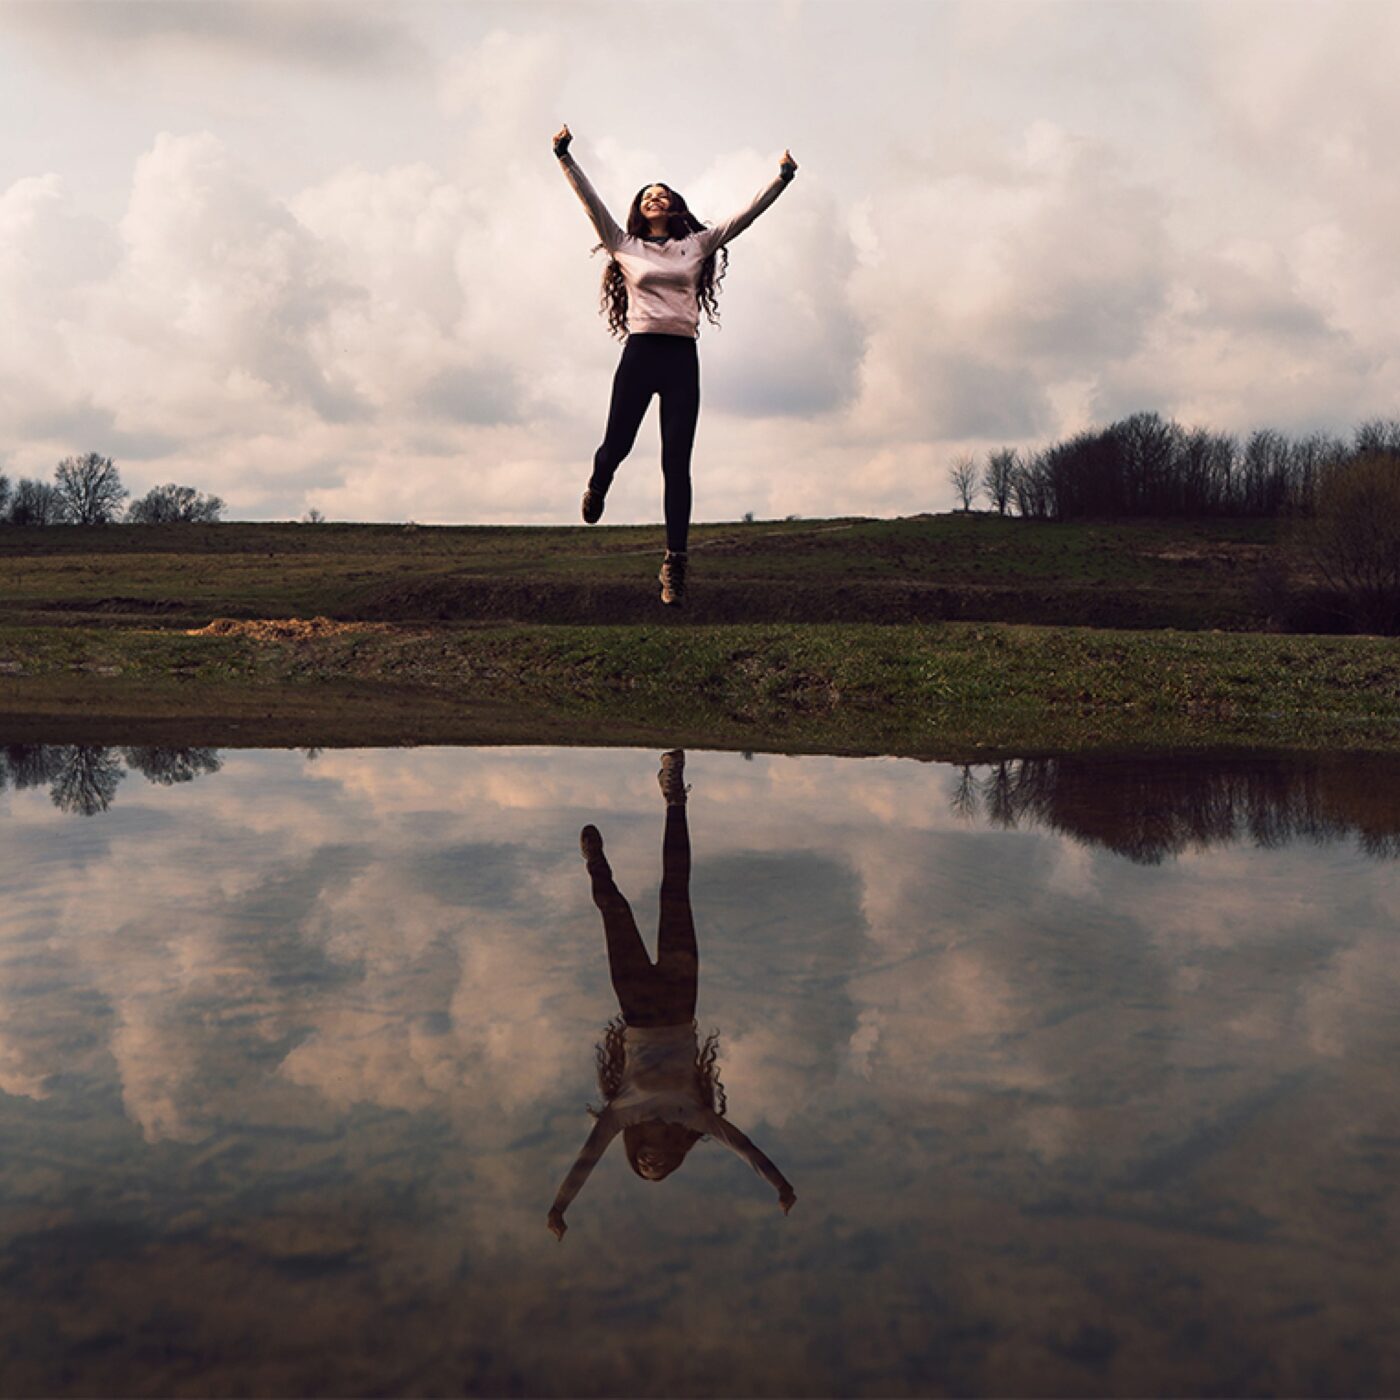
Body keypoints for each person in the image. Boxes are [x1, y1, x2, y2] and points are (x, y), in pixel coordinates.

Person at [548, 750, 796, 1240]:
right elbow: (745, 1147)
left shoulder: (621, 1117)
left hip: (638, 1007)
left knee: (613, 911)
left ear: (635, 1152)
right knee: (676, 891)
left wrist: (559, 1208)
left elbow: (585, 1162)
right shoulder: (695, 1118)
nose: (647, 1164)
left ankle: (597, 866)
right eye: (657, 1169)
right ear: (674, 1157)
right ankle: (674, 796)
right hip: (681, 1001)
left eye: (641, 1168)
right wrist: (780, 1185)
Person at [553, 125, 797, 606]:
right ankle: (598, 482)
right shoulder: (622, 243)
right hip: (641, 354)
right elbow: (589, 202)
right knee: (616, 446)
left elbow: (744, 218)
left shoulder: (697, 245)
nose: (655, 198)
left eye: (662, 194)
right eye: (648, 195)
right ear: (639, 208)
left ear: (674, 206)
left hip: (682, 358)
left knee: (676, 463)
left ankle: (675, 565)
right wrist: (563, 156)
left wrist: (782, 179)